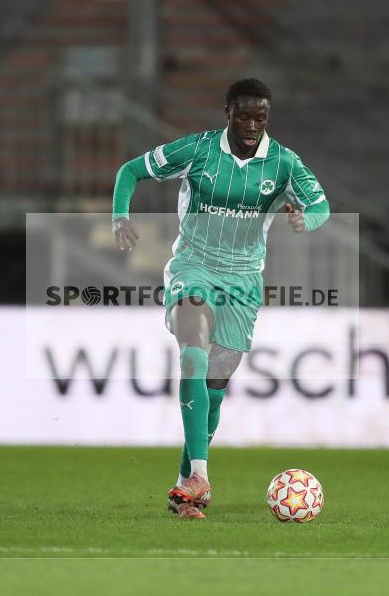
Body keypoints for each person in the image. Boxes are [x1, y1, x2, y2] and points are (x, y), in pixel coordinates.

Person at [111, 78, 330, 519]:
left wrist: (307, 218)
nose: (252, 124)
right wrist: (120, 215)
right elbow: (129, 171)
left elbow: (321, 204)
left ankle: (184, 488)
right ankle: (200, 474)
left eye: (261, 117)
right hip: (193, 267)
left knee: (213, 390)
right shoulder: (198, 150)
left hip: (244, 281)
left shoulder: (284, 163)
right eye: (244, 115)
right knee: (192, 354)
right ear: (227, 112)